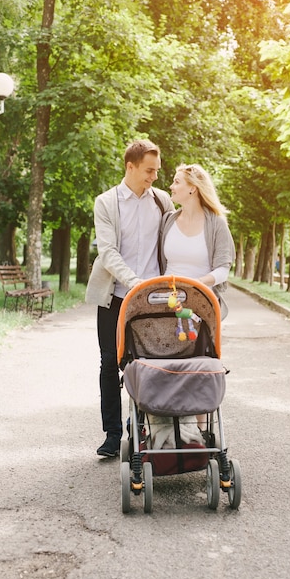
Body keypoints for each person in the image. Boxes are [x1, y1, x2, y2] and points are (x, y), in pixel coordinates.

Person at [86, 140, 174, 457]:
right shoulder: (107, 203)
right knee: (110, 363)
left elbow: (176, 241)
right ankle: (112, 435)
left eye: (157, 171)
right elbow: (107, 252)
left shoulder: (163, 202)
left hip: (153, 300)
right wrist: (135, 282)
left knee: (149, 364)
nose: (154, 177)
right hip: (116, 296)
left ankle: (141, 430)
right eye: (149, 171)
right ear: (131, 167)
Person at [159, 163, 235, 432]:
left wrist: (196, 285)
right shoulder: (169, 220)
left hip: (202, 305)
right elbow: (161, 263)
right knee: (164, 362)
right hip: (166, 304)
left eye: (176, 182)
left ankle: (203, 432)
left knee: (200, 366)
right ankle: (163, 424)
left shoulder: (216, 223)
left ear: (192, 188)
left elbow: (224, 268)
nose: (171, 186)